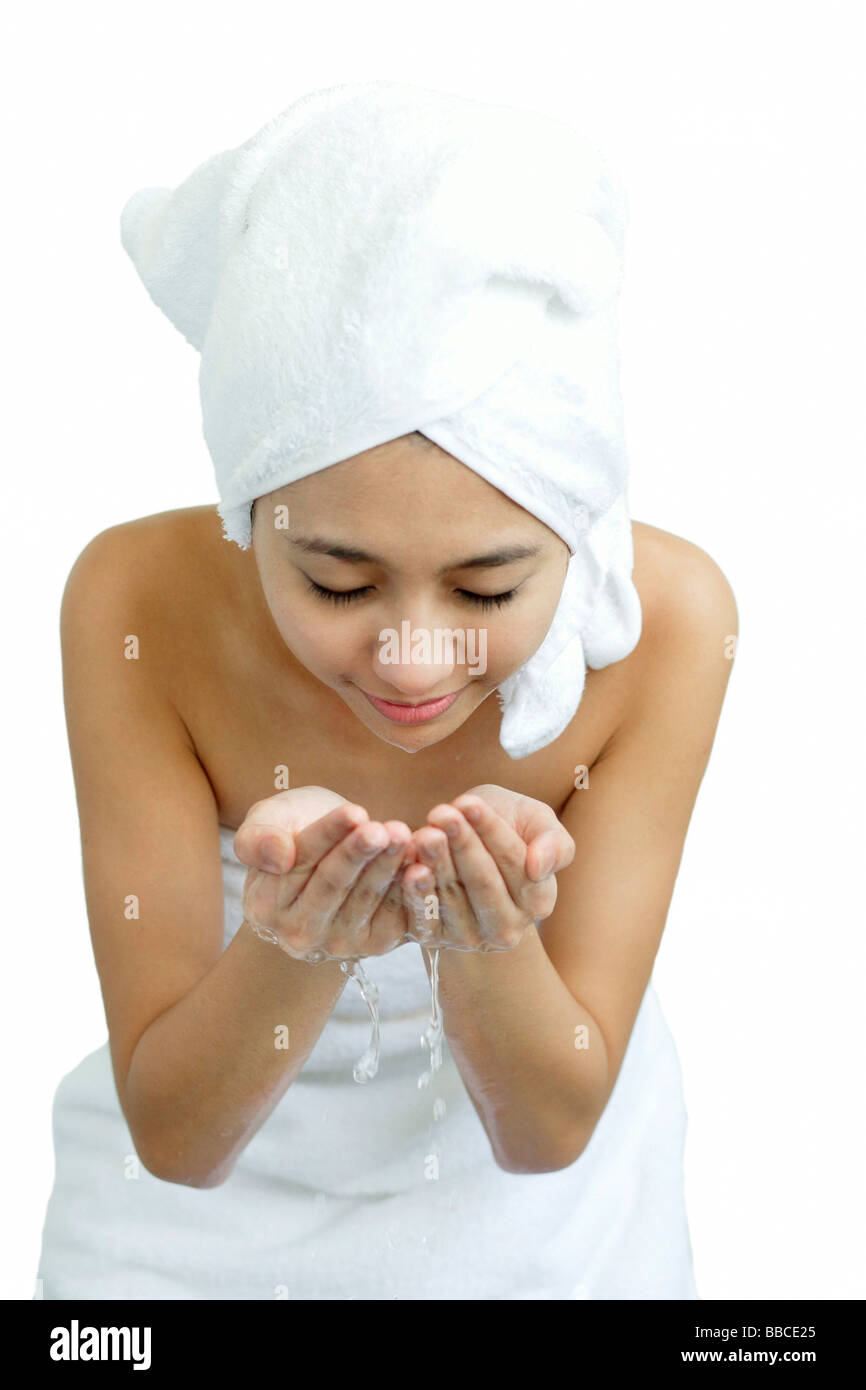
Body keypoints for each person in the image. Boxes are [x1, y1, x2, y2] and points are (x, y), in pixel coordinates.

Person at [34, 81, 737, 1301]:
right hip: (179, 1246)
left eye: (485, 591)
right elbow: (177, 1138)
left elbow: (547, 1130)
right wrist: (291, 942)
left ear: (574, 534)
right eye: (336, 582)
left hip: (545, 1239)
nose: (411, 661)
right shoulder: (135, 600)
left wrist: (488, 941)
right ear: (251, 517)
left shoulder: (672, 626)